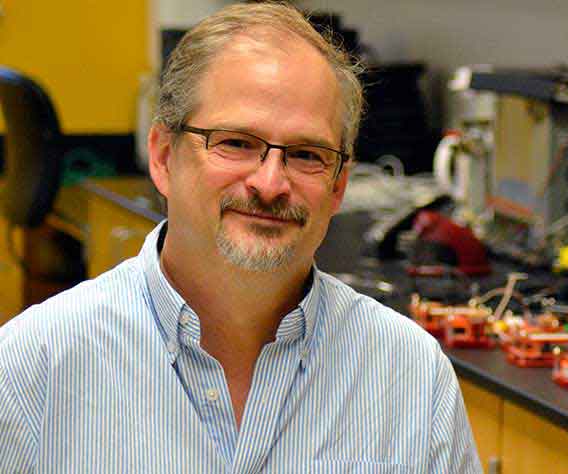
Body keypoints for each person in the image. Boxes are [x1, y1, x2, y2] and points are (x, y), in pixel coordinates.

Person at [0, 2, 482, 472]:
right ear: (165, 157)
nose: (270, 183)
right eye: (235, 143)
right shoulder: (32, 370)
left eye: (307, 154)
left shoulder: (411, 376)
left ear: (338, 185)